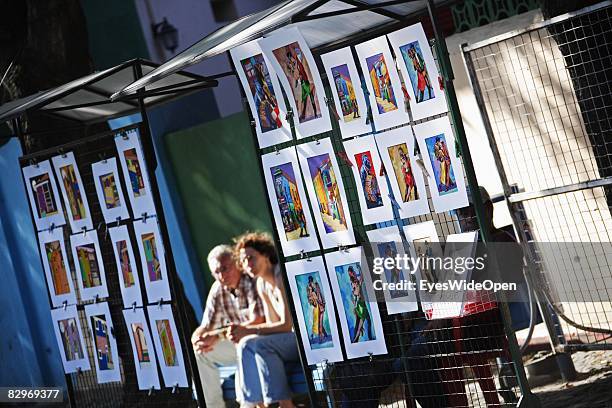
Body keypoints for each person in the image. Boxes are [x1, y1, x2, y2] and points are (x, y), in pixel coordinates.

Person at [227, 232, 300, 408]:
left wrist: (249, 330)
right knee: (246, 343)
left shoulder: (280, 276)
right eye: (243, 261)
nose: (247, 264)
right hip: (286, 342)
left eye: (251, 258)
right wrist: (243, 331)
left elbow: (286, 325)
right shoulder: (261, 284)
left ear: (266, 255)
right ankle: (257, 404)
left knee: (260, 344)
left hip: (304, 340)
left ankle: (285, 404)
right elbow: (272, 325)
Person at [191, 245, 265, 407]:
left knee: (244, 353)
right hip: (239, 345)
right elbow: (206, 326)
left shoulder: (251, 280)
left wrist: (218, 336)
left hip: (263, 342)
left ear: (237, 263)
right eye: (217, 272)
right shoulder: (218, 289)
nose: (222, 275)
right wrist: (197, 339)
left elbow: (258, 321)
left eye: (225, 268)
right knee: (200, 352)